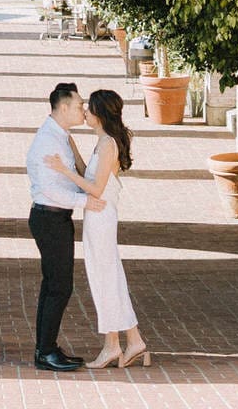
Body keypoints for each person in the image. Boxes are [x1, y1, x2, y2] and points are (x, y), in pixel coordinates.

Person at [48, 88, 148, 367]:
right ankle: (129, 341)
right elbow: (87, 173)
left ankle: (115, 345)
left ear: (101, 114)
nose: (85, 113)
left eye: (89, 109)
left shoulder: (107, 145)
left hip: (101, 218)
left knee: (105, 278)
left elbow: (95, 188)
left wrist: (62, 170)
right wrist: (72, 150)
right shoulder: (103, 141)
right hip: (97, 218)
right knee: (108, 278)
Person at [23, 81, 90, 372]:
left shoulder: (60, 135)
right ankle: (45, 351)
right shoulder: (49, 140)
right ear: (63, 107)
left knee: (55, 286)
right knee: (59, 287)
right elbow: (50, 190)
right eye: (79, 105)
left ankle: (46, 347)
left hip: (57, 218)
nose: (83, 110)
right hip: (49, 218)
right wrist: (87, 201)